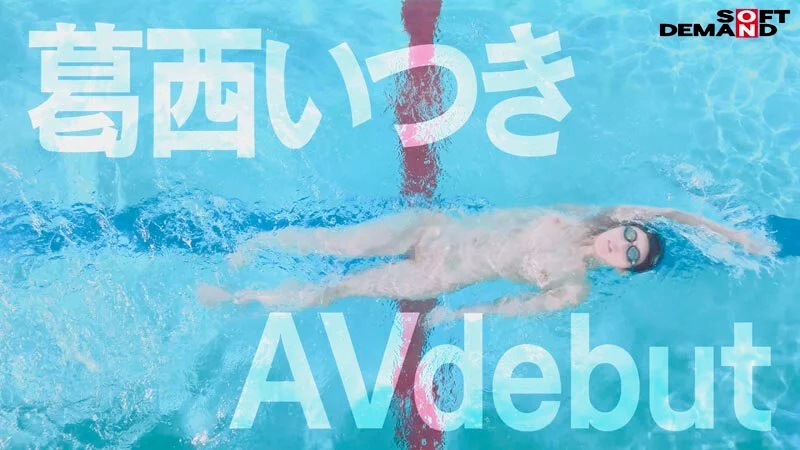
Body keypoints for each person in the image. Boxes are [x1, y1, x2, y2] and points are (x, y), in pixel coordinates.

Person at [197, 205, 775, 326]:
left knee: (337, 291)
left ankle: (240, 299)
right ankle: (258, 245)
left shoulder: (572, 288)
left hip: (436, 276)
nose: (621, 245)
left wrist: (457, 316)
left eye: (631, 255)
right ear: (621, 226)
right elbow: (669, 213)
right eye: (629, 237)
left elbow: (510, 306)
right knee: (337, 243)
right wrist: (733, 236)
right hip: (432, 229)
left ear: (624, 271)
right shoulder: (588, 218)